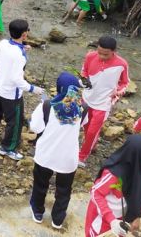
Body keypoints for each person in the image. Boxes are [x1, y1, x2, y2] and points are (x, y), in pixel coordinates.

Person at [0, 19, 45, 160]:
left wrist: (22, 47)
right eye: (27, 30)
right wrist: (33, 89)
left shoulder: (4, 43)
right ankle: (8, 148)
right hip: (11, 93)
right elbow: (17, 80)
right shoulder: (20, 55)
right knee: (15, 121)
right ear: (24, 34)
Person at [29, 73, 82, 230]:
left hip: (46, 154)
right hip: (68, 158)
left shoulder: (47, 106)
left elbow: (35, 127)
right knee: (64, 191)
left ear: (60, 87)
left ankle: (38, 212)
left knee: (40, 184)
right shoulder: (81, 108)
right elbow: (82, 124)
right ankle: (57, 220)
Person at [85, 135, 141, 237]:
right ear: (140, 155)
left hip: (121, 219)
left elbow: (138, 192)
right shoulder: (114, 174)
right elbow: (95, 192)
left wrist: (137, 214)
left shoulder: (139, 168)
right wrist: (112, 220)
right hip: (104, 221)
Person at [78, 35, 130, 166]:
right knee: (85, 126)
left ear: (114, 51)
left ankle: (82, 156)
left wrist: (118, 93)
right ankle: (92, 145)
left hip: (103, 104)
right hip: (86, 98)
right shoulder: (90, 56)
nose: (101, 56)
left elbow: (125, 83)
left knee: (92, 132)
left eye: (105, 54)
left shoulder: (122, 64)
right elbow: (84, 72)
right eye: (99, 52)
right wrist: (84, 81)